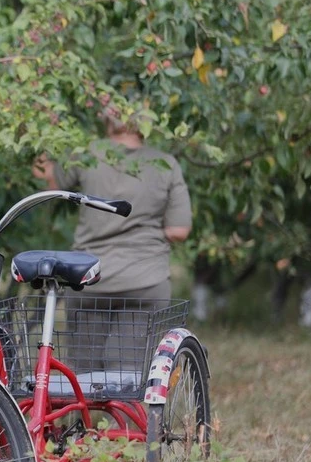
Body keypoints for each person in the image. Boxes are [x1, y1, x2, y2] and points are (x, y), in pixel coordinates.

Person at [31, 111, 192, 389]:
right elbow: (180, 230)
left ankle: (86, 429)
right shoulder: (166, 164)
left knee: (84, 374)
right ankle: (128, 428)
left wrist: (41, 133)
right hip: (144, 279)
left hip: (89, 279)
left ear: (106, 121)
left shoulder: (88, 154)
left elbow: (49, 178)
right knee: (129, 372)